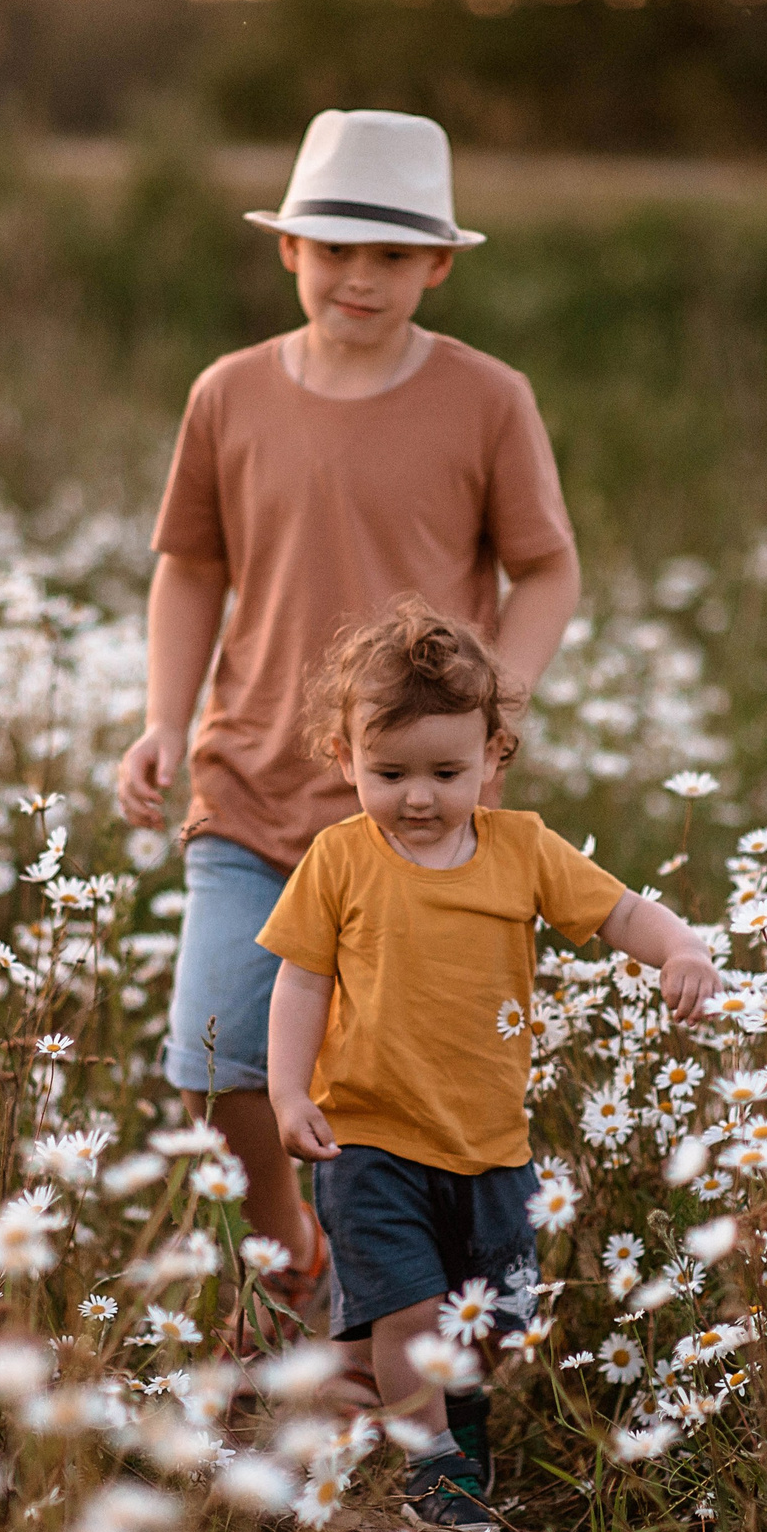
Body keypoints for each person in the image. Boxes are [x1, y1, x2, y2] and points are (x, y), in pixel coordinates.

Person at [114, 108, 583, 1337]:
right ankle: (290, 1257)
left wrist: (494, 718)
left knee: (388, 1083)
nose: (357, 276)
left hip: (415, 812)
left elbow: (547, 570)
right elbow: (189, 568)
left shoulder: (488, 399)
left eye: (388, 255)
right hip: (250, 781)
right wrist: (165, 720)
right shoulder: (229, 394)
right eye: (332, 248)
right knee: (215, 1058)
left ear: (437, 264)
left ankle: (387, 1322)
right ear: (288, 252)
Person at [257, 603, 722, 1532]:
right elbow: (301, 983)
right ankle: (431, 1467)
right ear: (344, 756)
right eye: (389, 773)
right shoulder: (340, 858)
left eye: (446, 772)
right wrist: (286, 1088)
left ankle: (458, 1426)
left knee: (487, 1320)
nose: (418, 797)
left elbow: (621, 913)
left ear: (492, 758)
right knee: (408, 1312)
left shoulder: (522, 851)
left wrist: (679, 945)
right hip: (370, 1137)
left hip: (489, 1142)